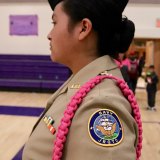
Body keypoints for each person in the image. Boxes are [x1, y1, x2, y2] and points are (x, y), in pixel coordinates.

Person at [22, 0, 142, 160]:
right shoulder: (84, 82)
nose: (49, 35)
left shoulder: (99, 104)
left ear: (83, 28)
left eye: (54, 22)